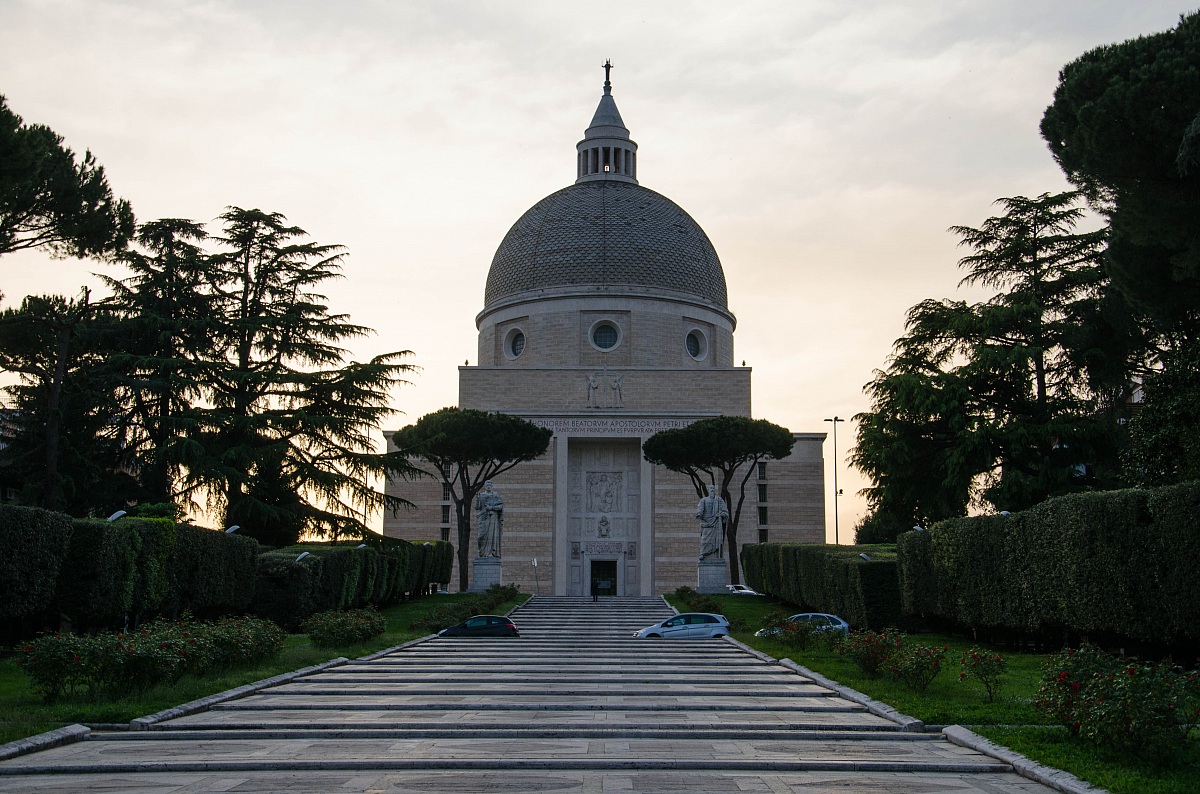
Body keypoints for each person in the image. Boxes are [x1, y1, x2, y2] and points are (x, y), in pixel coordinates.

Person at [695, 484, 728, 560]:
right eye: (711, 488)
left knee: (716, 541)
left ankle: (716, 555)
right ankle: (703, 554)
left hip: (716, 524)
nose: (712, 490)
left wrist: (721, 514)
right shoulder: (703, 500)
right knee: (704, 541)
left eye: (713, 488)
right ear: (708, 490)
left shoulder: (719, 500)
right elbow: (700, 510)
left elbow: (725, 511)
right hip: (706, 524)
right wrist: (699, 515)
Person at [474, 480, 504, 557]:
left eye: (490, 484)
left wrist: (492, 507)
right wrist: (477, 499)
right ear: (485, 486)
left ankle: (490, 553)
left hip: (492, 518)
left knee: (491, 536)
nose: (489, 485)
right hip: (483, 518)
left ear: (492, 485)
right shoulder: (481, 495)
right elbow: (477, 507)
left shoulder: (495, 495)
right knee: (480, 536)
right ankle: (481, 553)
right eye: (487, 484)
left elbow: (500, 506)